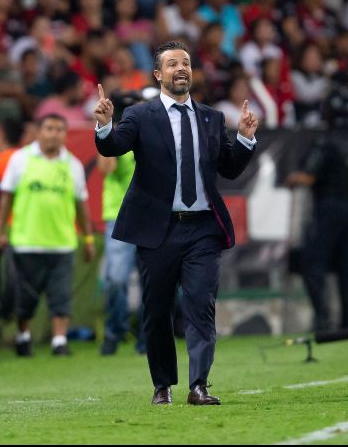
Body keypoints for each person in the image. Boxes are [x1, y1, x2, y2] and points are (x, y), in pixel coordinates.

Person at [93, 41, 258, 406]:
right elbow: (113, 147)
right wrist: (104, 125)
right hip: (158, 229)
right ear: (158, 74)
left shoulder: (212, 118)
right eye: (172, 64)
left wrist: (245, 139)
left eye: (185, 62)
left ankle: (199, 385)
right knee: (157, 310)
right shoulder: (139, 115)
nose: (181, 68)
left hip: (203, 229)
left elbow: (229, 168)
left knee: (200, 304)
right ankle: (162, 384)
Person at [0, 114, 96, 357]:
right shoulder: (20, 159)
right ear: (38, 132)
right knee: (24, 299)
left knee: (61, 297)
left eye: (59, 129)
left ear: (65, 135)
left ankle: (59, 341)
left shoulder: (73, 165)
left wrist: (88, 239)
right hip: (26, 242)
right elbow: (6, 198)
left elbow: (81, 205)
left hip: (62, 244)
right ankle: (23, 336)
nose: (54, 134)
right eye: (49, 128)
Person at [285, 84, 348, 333]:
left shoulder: (326, 142)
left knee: (313, 262)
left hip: (330, 208)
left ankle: (323, 318)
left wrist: (292, 178)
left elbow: (309, 176)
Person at [98, 89, 145, 356]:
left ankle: (147, 336)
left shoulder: (152, 134)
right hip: (119, 216)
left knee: (153, 280)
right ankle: (115, 331)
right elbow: (106, 168)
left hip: (150, 215)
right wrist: (109, 130)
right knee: (115, 279)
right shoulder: (115, 135)